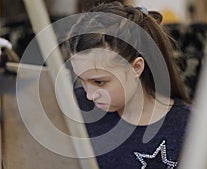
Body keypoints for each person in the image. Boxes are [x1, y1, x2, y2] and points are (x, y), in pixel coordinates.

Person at [66, 1, 193, 169]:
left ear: (136, 67)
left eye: (99, 82)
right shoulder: (73, 107)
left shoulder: (190, 128)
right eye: (82, 80)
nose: (90, 95)